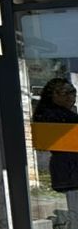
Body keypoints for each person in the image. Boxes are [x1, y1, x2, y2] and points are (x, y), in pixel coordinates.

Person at [33, 77, 78, 217]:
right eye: (66, 93)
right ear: (53, 95)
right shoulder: (53, 115)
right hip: (68, 168)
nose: (71, 97)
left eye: (73, 92)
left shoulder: (62, 114)